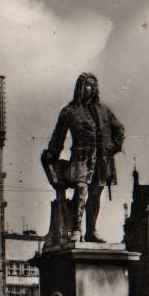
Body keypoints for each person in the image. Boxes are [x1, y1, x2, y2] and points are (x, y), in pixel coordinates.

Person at [43, 72, 125, 243]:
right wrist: (52, 153)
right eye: (88, 85)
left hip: (102, 160)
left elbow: (119, 130)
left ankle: (91, 231)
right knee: (81, 191)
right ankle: (76, 229)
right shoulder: (69, 111)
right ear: (80, 88)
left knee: (95, 194)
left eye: (94, 85)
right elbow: (58, 137)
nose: (92, 88)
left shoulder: (104, 110)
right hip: (81, 158)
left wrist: (112, 147)